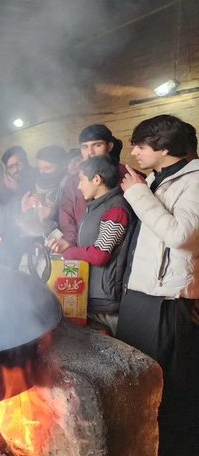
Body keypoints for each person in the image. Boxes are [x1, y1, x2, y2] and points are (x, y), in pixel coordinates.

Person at [117, 114, 199, 456]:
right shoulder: (154, 180)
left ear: (164, 148)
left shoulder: (194, 181)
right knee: (136, 380)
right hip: (140, 295)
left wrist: (137, 194)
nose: (134, 152)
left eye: (140, 145)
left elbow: (181, 236)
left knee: (167, 390)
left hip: (167, 300)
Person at [47, 155, 133, 335]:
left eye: (81, 180)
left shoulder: (116, 210)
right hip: (94, 295)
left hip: (107, 300)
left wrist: (69, 253)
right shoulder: (96, 208)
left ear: (97, 179)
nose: (79, 186)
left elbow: (99, 254)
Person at [58, 124, 132, 247]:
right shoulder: (73, 182)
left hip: (120, 250)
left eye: (97, 145)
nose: (90, 152)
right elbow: (67, 216)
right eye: (85, 147)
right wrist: (69, 242)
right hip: (80, 249)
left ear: (109, 146)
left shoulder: (128, 176)